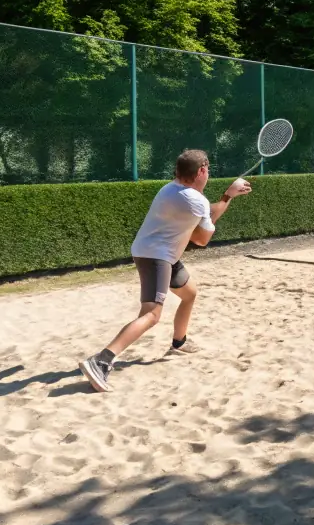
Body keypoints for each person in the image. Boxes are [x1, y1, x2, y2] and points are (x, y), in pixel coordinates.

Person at [78, 149, 251, 393]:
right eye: (208, 169)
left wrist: (227, 195)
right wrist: (227, 197)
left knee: (189, 294)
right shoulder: (195, 200)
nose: (208, 173)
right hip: (157, 257)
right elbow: (202, 238)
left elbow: (204, 213)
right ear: (202, 170)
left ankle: (179, 342)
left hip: (162, 254)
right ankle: (101, 360)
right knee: (151, 315)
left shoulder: (171, 189)